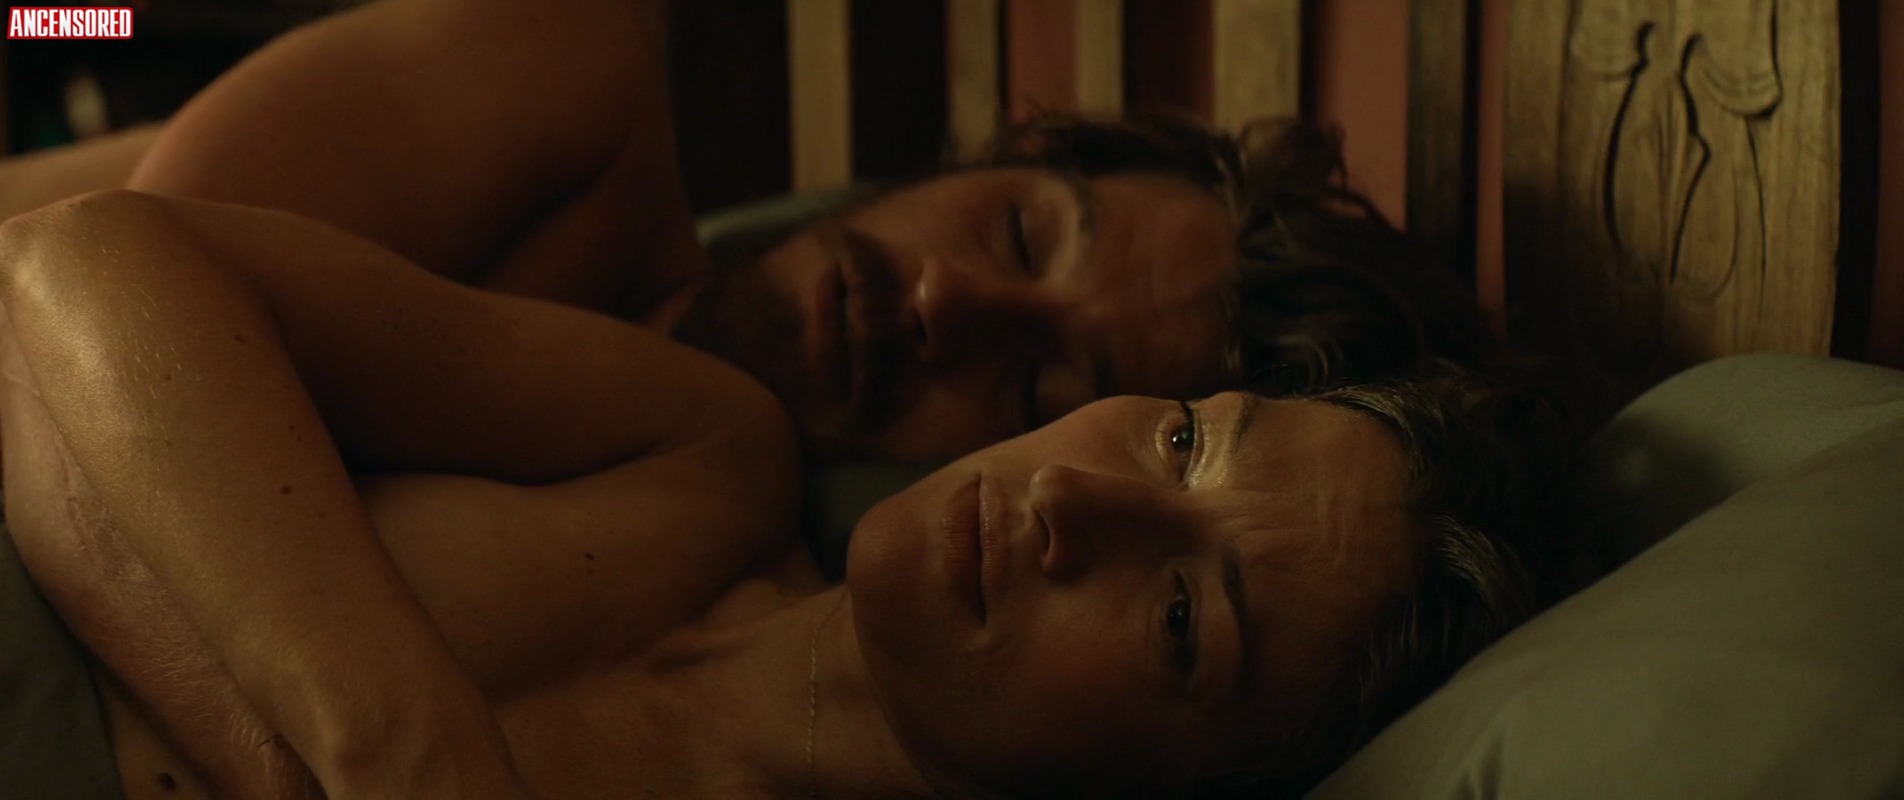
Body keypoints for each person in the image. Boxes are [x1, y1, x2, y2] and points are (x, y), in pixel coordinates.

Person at [0, 188, 1581, 798]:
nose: (1069, 503)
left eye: (1182, 620)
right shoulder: (706, 452)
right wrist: (389, 750)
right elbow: (79, 261)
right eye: (1178, 443)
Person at [0, 0, 1490, 465]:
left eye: (1040, 390)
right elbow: (83, 334)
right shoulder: (565, 74)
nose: (948, 301)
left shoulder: (697, 605)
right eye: (1024, 234)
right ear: (985, 158)